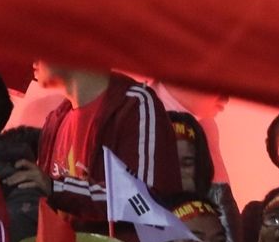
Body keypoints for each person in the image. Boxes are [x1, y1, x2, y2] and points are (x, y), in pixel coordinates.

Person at [20, 63, 179, 229]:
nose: (33, 60)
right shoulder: (55, 120)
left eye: (40, 45)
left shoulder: (135, 105)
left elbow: (143, 198)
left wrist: (56, 187)